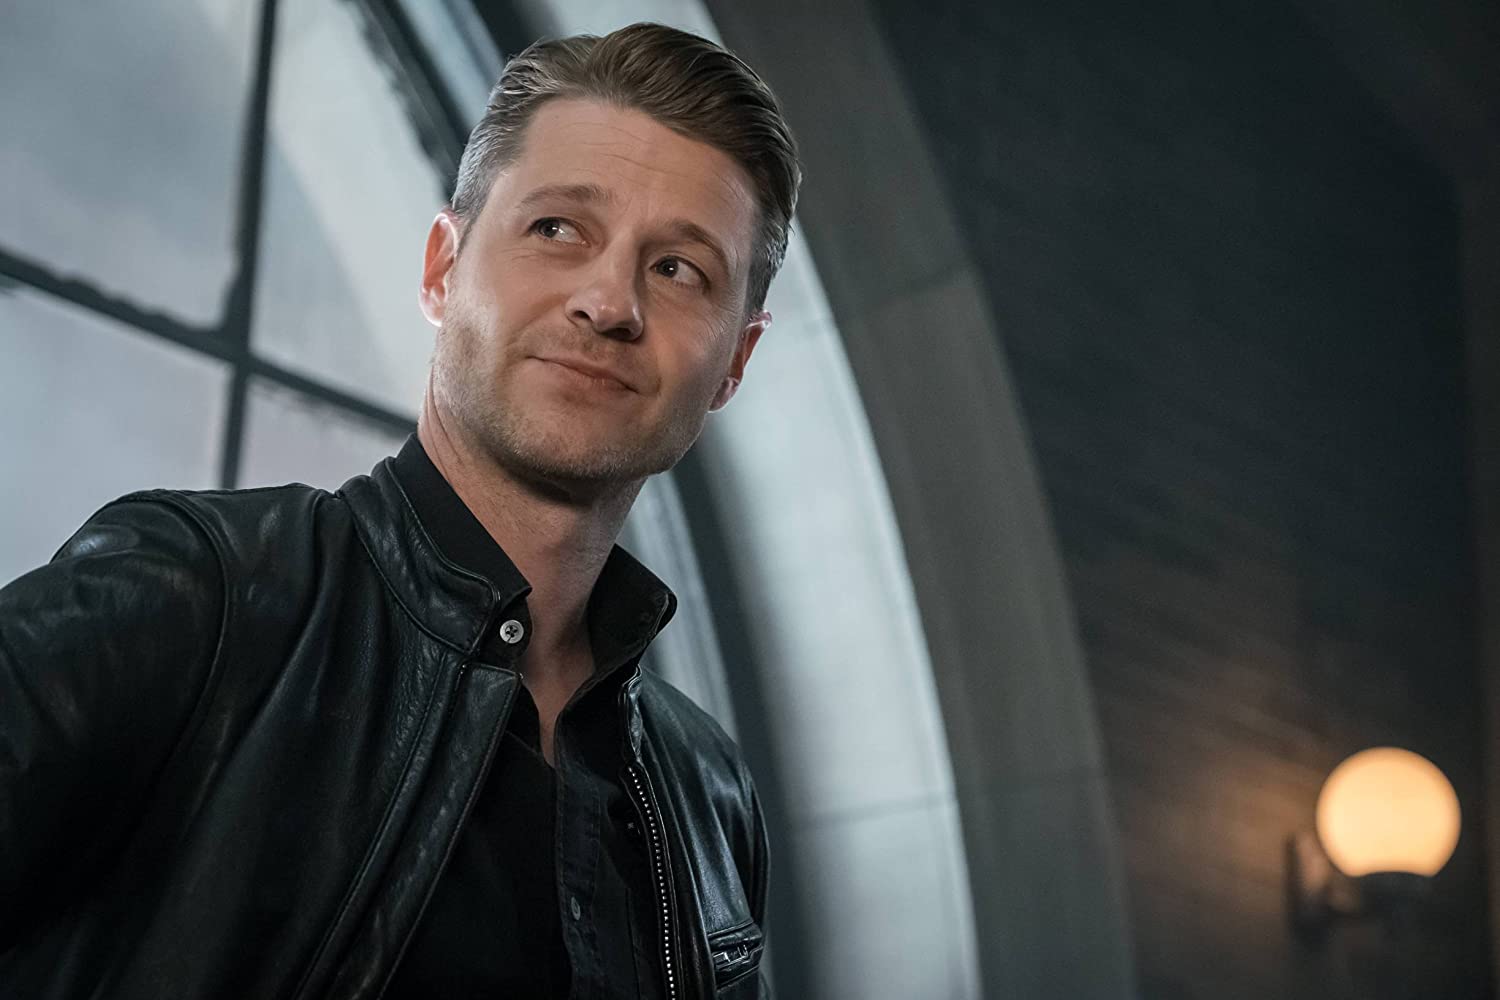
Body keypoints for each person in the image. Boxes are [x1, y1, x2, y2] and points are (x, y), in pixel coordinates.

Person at [0, 21, 800, 999]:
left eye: (679, 269)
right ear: (441, 270)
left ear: (735, 361)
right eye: (557, 229)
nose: (609, 301)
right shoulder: (201, 598)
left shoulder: (709, 793)